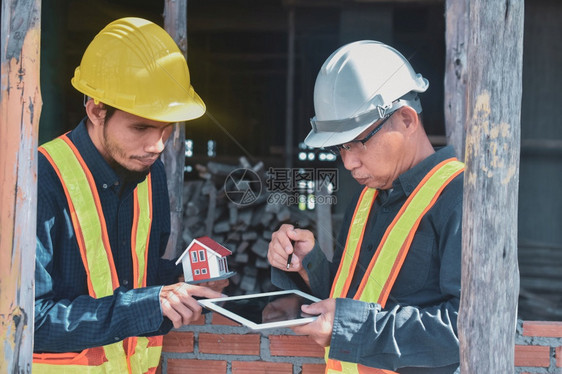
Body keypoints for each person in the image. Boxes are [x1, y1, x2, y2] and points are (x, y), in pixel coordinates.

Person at [33, 17, 226, 373]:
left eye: (167, 129)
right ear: (95, 110)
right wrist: (146, 304)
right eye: (140, 127)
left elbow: (137, 280)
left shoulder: (150, 174)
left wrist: (184, 280)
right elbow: (29, 321)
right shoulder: (37, 180)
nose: (156, 145)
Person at [267, 40, 463, 374]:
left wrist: (352, 328)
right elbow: (356, 299)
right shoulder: (368, 196)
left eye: (359, 142)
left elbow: (464, 329)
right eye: (340, 148)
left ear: (406, 119)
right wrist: (308, 265)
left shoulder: (459, 197)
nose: (349, 162)